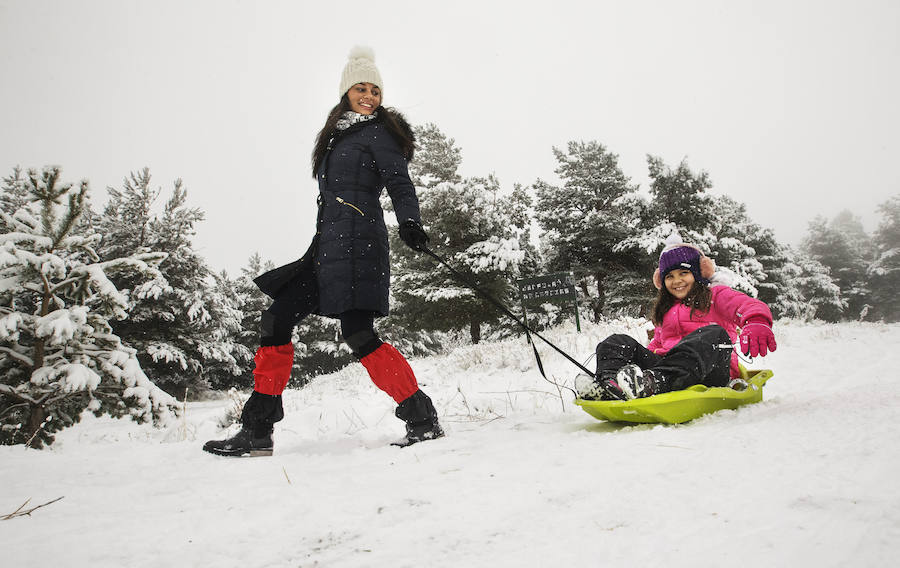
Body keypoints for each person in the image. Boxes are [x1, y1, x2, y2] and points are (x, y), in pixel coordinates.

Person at [204, 46, 443, 456]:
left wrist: (409, 221)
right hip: (327, 249)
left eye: (375, 90)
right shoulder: (339, 135)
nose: (368, 96)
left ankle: (421, 418)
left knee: (359, 334)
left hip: (359, 246)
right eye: (360, 88)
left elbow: (400, 182)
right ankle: (257, 431)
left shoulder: (378, 133)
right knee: (275, 320)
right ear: (345, 91)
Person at [576, 232, 777, 400]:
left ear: (698, 274)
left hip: (710, 372)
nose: (676, 281)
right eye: (669, 276)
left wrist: (757, 321)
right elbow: (658, 344)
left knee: (714, 334)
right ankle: (608, 385)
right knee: (616, 342)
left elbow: (748, 305)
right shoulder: (666, 308)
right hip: (666, 370)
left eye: (683, 273)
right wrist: (643, 359)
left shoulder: (716, 295)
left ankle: (651, 383)